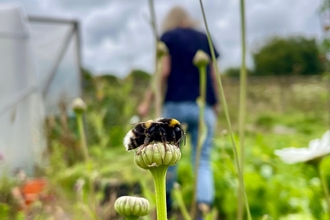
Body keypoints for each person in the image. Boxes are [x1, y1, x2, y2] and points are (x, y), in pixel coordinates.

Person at [137, 6, 220, 219]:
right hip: (203, 106)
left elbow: (163, 71)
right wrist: (216, 102)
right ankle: (202, 209)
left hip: (174, 106)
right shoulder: (203, 38)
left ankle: (167, 206)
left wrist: (147, 101)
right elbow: (212, 73)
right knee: (202, 160)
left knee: (165, 156)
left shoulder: (168, 37)